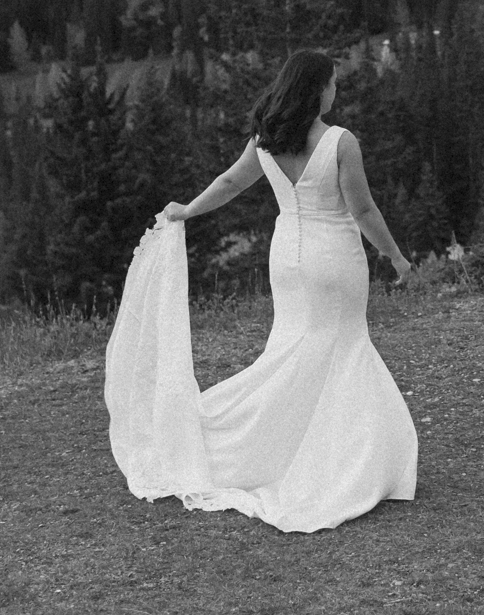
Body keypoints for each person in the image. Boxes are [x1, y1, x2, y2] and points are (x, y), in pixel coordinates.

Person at [103, 49, 416, 533]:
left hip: (286, 258)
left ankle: (265, 441)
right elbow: (364, 211)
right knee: (343, 346)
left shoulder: (266, 140)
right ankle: (344, 456)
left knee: (293, 350)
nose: (336, 91)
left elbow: (231, 182)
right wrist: (395, 257)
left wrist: (188, 209)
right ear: (316, 89)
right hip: (333, 257)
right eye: (332, 83)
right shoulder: (339, 142)